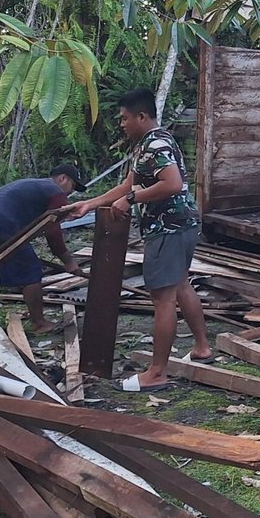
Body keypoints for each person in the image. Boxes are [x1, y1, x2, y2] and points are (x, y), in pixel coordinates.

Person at [76, 87, 213, 390]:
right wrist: (90, 204)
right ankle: (202, 348)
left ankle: (157, 372)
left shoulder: (156, 144)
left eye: (124, 118)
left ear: (141, 116)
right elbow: (128, 185)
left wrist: (132, 199)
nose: (121, 124)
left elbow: (172, 184)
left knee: (163, 297)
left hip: (169, 228)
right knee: (180, 285)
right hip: (180, 225)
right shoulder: (146, 145)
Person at [0, 164, 86, 331]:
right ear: (62, 178)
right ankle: (39, 323)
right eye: (72, 186)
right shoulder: (56, 192)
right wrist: (68, 261)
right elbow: (53, 231)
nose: (71, 192)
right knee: (31, 270)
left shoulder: (33, 185)